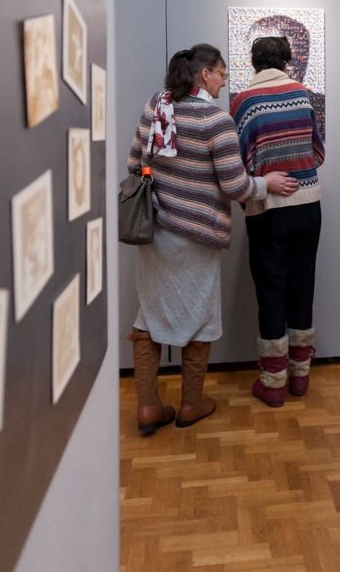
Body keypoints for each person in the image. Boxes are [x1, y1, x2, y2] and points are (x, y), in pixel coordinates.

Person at [126, 43, 297, 436]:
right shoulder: (216, 121)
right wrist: (266, 183)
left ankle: (148, 408)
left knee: (148, 318)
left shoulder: (156, 106)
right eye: (221, 74)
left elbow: (135, 164)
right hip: (197, 237)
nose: (224, 82)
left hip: (154, 233)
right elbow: (235, 186)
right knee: (199, 318)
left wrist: (166, 183)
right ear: (205, 74)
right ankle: (191, 404)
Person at [230, 36, 326, 407]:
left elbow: (237, 161)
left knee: (270, 290)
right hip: (308, 205)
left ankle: (273, 383)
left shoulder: (244, 102)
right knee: (303, 286)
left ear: (253, 62)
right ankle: (300, 377)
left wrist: (264, 176)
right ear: (287, 61)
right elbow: (317, 153)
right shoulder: (303, 96)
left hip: (267, 208)